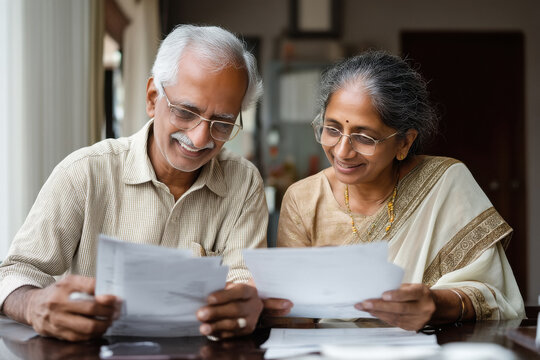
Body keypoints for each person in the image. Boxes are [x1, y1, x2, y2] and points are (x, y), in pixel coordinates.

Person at [0, 25, 267, 341]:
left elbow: (242, 279)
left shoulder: (243, 181)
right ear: (153, 98)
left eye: (222, 124)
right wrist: (32, 304)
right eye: (185, 112)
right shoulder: (86, 172)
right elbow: (15, 272)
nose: (199, 139)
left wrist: (247, 303)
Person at [266, 51, 525, 330]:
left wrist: (437, 304)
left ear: (404, 143)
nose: (342, 151)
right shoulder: (303, 199)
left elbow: (496, 295)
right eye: (332, 129)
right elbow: (290, 315)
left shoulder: (445, 183)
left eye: (364, 137)